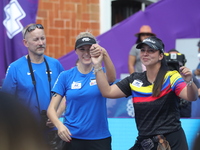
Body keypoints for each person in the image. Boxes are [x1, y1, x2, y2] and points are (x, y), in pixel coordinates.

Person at [91, 36, 198, 150]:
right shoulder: (134, 79)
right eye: (143, 50)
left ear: (160, 56)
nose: (145, 53)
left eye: (151, 50)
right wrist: (97, 64)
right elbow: (107, 91)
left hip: (171, 142)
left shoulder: (171, 77)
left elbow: (191, 96)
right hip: (145, 142)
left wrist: (189, 81)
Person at [47, 31, 116, 150]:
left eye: (90, 49)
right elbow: (51, 109)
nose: (86, 53)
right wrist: (59, 126)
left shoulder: (100, 72)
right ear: (76, 51)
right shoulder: (66, 76)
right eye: (82, 49)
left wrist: (104, 54)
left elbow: (112, 78)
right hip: (71, 138)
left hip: (99, 138)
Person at [1, 23, 65, 149]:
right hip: (25, 133)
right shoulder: (15, 68)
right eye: (36, 39)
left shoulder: (55, 64)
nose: (41, 42)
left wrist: (56, 115)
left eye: (42, 38)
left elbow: (66, 94)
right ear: (26, 43)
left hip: (52, 133)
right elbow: (6, 104)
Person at [165, 49, 200, 117]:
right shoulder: (161, 77)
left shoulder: (188, 76)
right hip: (166, 114)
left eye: (176, 63)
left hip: (185, 113)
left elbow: (198, 92)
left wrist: (189, 82)